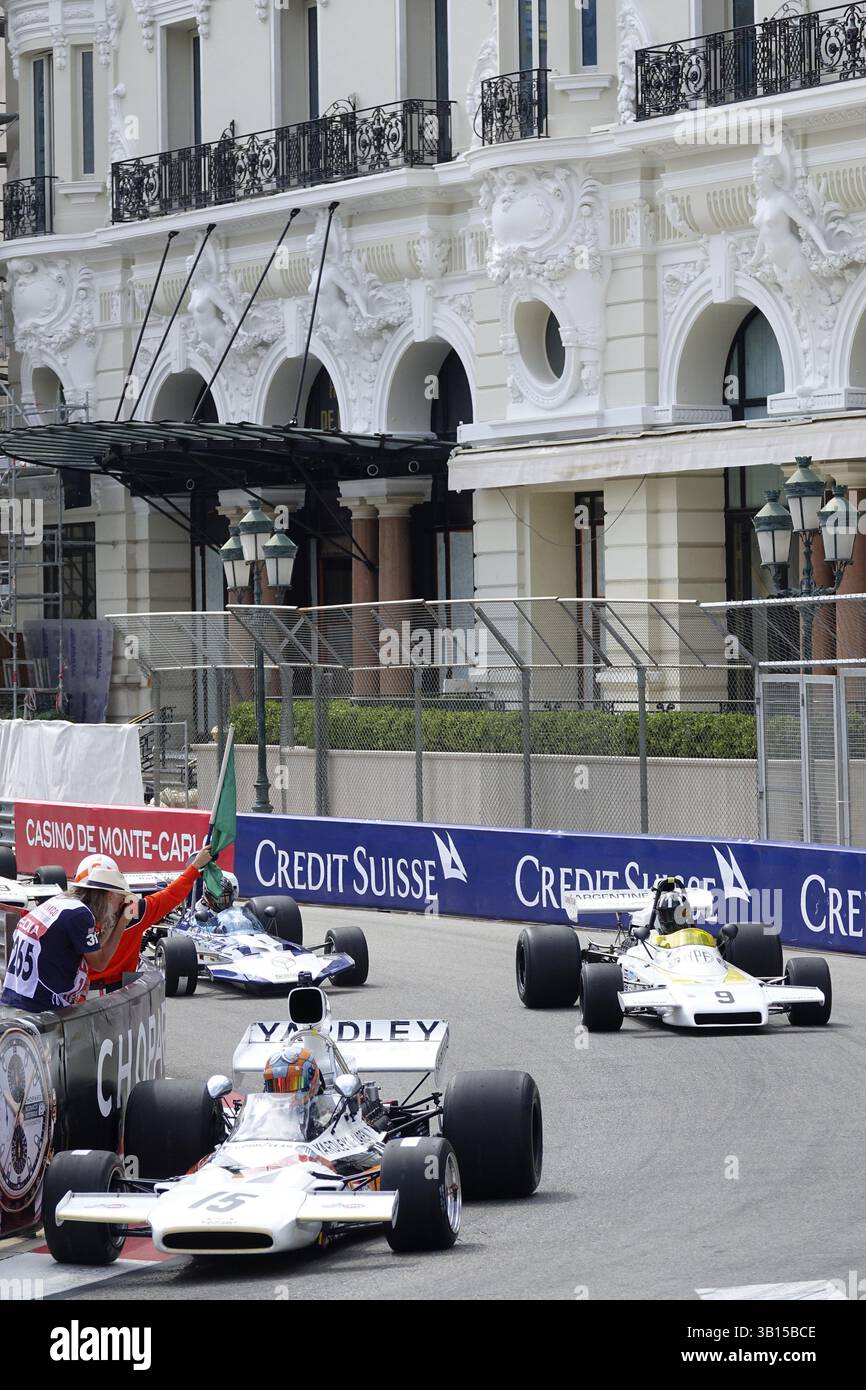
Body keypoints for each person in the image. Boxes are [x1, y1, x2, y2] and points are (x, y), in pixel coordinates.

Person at [1, 860, 136, 1012]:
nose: (118, 909)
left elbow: (94, 948)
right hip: (39, 1006)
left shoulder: (61, 902)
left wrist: (112, 923)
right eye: (119, 902)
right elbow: (99, 964)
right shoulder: (80, 915)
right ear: (110, 896)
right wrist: (122, 923)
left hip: (15, 996)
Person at [87, 844, 214, 993]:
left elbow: (169, 895)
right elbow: (170, 895)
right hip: (118, 997)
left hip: (81, 998)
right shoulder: (133, 911)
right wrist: (195, 866)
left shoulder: (69, 918)